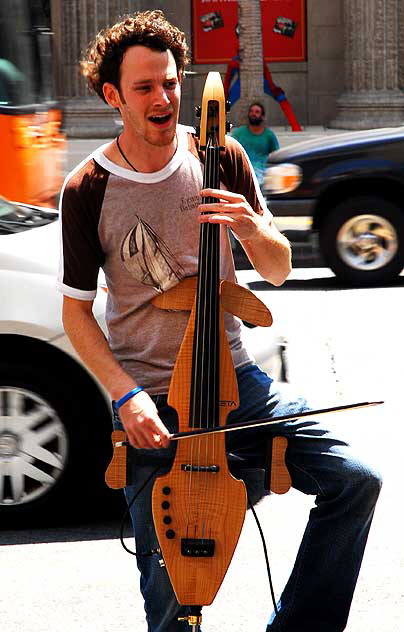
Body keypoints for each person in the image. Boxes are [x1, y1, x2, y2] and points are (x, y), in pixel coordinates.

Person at [57, 10, 381, 632]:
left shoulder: (222, 155)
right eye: (145, 87)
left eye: (171, 83)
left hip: (237, 383)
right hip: (152, 400)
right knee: (175, 604)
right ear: (113, 96)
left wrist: (250, 226)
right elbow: (75, 312)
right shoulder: (89, 187)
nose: (164, 99)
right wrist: (125, 398)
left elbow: (280, 269)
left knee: (355, 481)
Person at [231, 102, 279, 186]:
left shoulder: (269, 135)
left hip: (263, 176)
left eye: (257, 112)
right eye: (251, 111)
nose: (253, 114)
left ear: (263, 116)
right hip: (242, 173)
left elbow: (276, 156)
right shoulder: (238, 133)